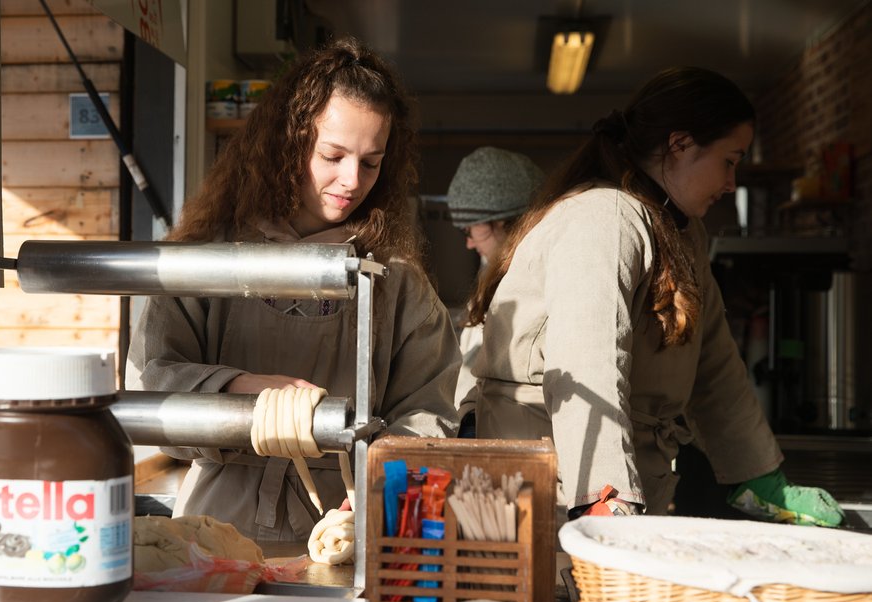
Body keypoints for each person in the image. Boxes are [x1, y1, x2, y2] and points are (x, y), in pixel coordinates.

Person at [461, 67, 844, 527]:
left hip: (622, 484)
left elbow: (714, 361)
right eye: (730, 160)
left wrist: (758, 473)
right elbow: (588, 368)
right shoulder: (605, 218)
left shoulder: (682, 232)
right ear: (679, 145)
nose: (731, 184)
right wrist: (606, 498)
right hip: (548, 489)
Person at [125, 37, 461, 543]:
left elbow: (429, 411)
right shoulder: (207, 257)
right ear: (288, 141)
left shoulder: (397, 281)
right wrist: (247, 391)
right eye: (333, 155)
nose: (351, 180)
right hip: (215, 529)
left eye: (371, 162)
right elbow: (151, 383)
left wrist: (385, 487)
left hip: (347, 529)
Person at [445, 146, 544, 408]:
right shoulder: (496, 270)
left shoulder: (530, 282)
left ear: (500, 221)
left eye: (468, 230)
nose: (468, 243)